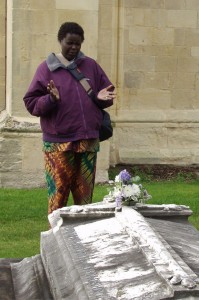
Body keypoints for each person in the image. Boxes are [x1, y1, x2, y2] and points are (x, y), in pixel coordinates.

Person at [23, 22, 116, 215]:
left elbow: (106, 94)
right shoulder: (46, 69)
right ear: (60, 41)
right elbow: (31, 102)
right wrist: (51, 99)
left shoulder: (91, 65)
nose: (74, 47)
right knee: (58, 195)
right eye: (69, 43)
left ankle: (81, 239)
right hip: (59, 143)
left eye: (78, 44)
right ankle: (55, 237)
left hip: (88, 140)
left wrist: (100, 98)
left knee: (85, 197)